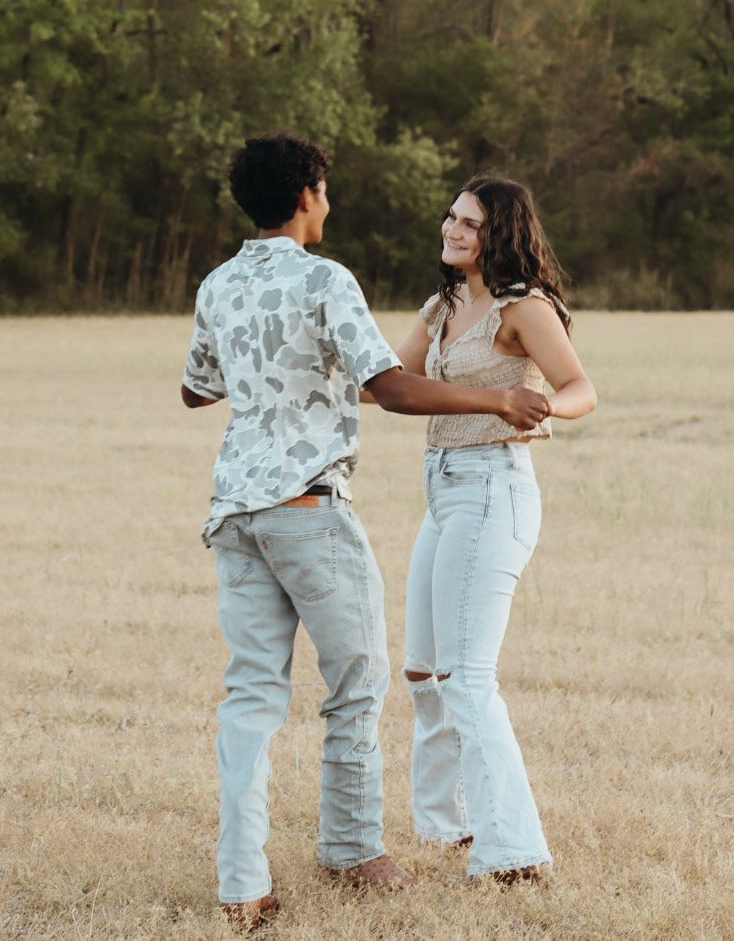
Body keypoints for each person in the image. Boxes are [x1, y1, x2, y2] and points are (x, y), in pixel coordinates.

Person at [180, 135, 549, 933]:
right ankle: (352, 851)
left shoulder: (218, 284)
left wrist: (264, 368)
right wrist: (498, 403)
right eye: (325, 190)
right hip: (308, 508)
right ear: (308, 195)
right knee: (357, 685)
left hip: (234, 510)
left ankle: (241, 883)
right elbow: (392, 389)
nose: (328, 202)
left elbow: (193, 389)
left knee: (249, 696)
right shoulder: (324, 280)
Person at [391, 175, 597, 884]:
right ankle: (450, 826)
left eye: (469, 224)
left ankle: (514, 853)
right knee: (423, 669)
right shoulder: (444, 303)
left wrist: (541, 410)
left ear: (500, 232)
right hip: (443, 491)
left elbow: (580, 388)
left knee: (467, 676)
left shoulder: (523, 307)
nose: (451, 230)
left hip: (493, 489)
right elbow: (391, 381)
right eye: (450, 217)